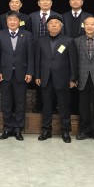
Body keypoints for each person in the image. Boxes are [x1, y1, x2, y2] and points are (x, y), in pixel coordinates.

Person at [35, 14, 78, 143]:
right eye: (51, 23)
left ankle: (65, 131)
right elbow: (38, 59)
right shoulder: (41, 40)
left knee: (64, 106)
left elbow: (73, 62)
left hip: (63, 79)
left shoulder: (68, 41)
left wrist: (73, 79)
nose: (53, 25)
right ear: (47, 26)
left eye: (56, 23)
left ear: (61, 26)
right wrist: (37, 75)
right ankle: (46, 130)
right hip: (45, 78)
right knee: (47, 106)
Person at [0, 11, 34, 141]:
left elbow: (30, 56)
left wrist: (29, 72)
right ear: (6, 22)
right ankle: (7, 128)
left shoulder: (27, 34)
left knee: (20, 103)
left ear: (19, 21)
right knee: (6, 103)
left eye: (14, 20)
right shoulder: (0, 34)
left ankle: (18, 129)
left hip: (21, 74)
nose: (12, 22)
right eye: (10, 20)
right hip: (5, 74)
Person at [29, 0, 59, 113]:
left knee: (52, 78)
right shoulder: (32, 16)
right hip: (36, 51)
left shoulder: (58, 16)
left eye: (48, 0)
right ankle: (39, 104)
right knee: (39, 77)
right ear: (38, 3)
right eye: (43, 0)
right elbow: (29, 35)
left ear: (51, 3)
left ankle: (53, 106)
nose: (45, 2)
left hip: (52, 52)